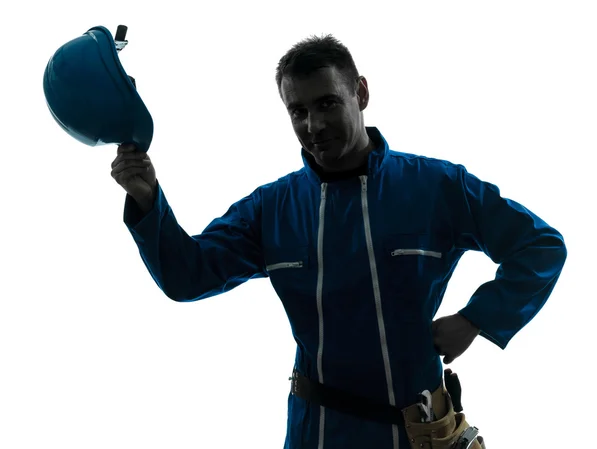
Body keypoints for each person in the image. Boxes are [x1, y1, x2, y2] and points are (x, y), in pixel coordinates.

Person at [111, 34, 567, 449]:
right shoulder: (273, 208)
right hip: (318, 433)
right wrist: (149, 200)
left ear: (361, 93)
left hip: (420, 433)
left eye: (327, 103)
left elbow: (540, 246)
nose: (314, 124)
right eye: (298, 111)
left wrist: (476, 318)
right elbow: (187, 275)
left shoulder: (436, 188)